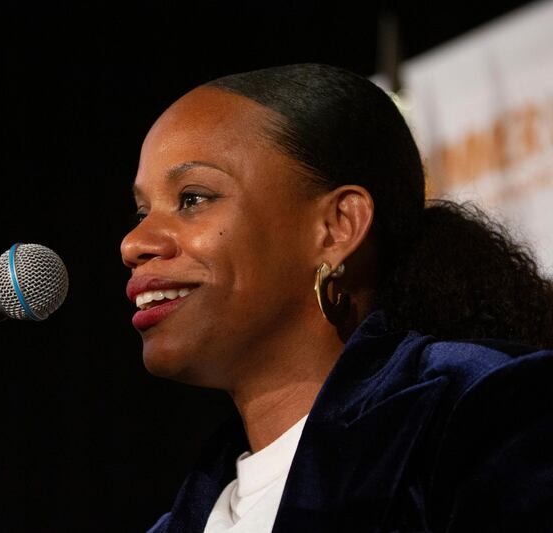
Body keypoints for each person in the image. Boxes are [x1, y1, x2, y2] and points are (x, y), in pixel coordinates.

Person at [120, 63, 553, 533]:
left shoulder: (480, 417)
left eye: (192, 198)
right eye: (142, 210)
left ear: (336, 227)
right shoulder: (185, 520)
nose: (133, 243)